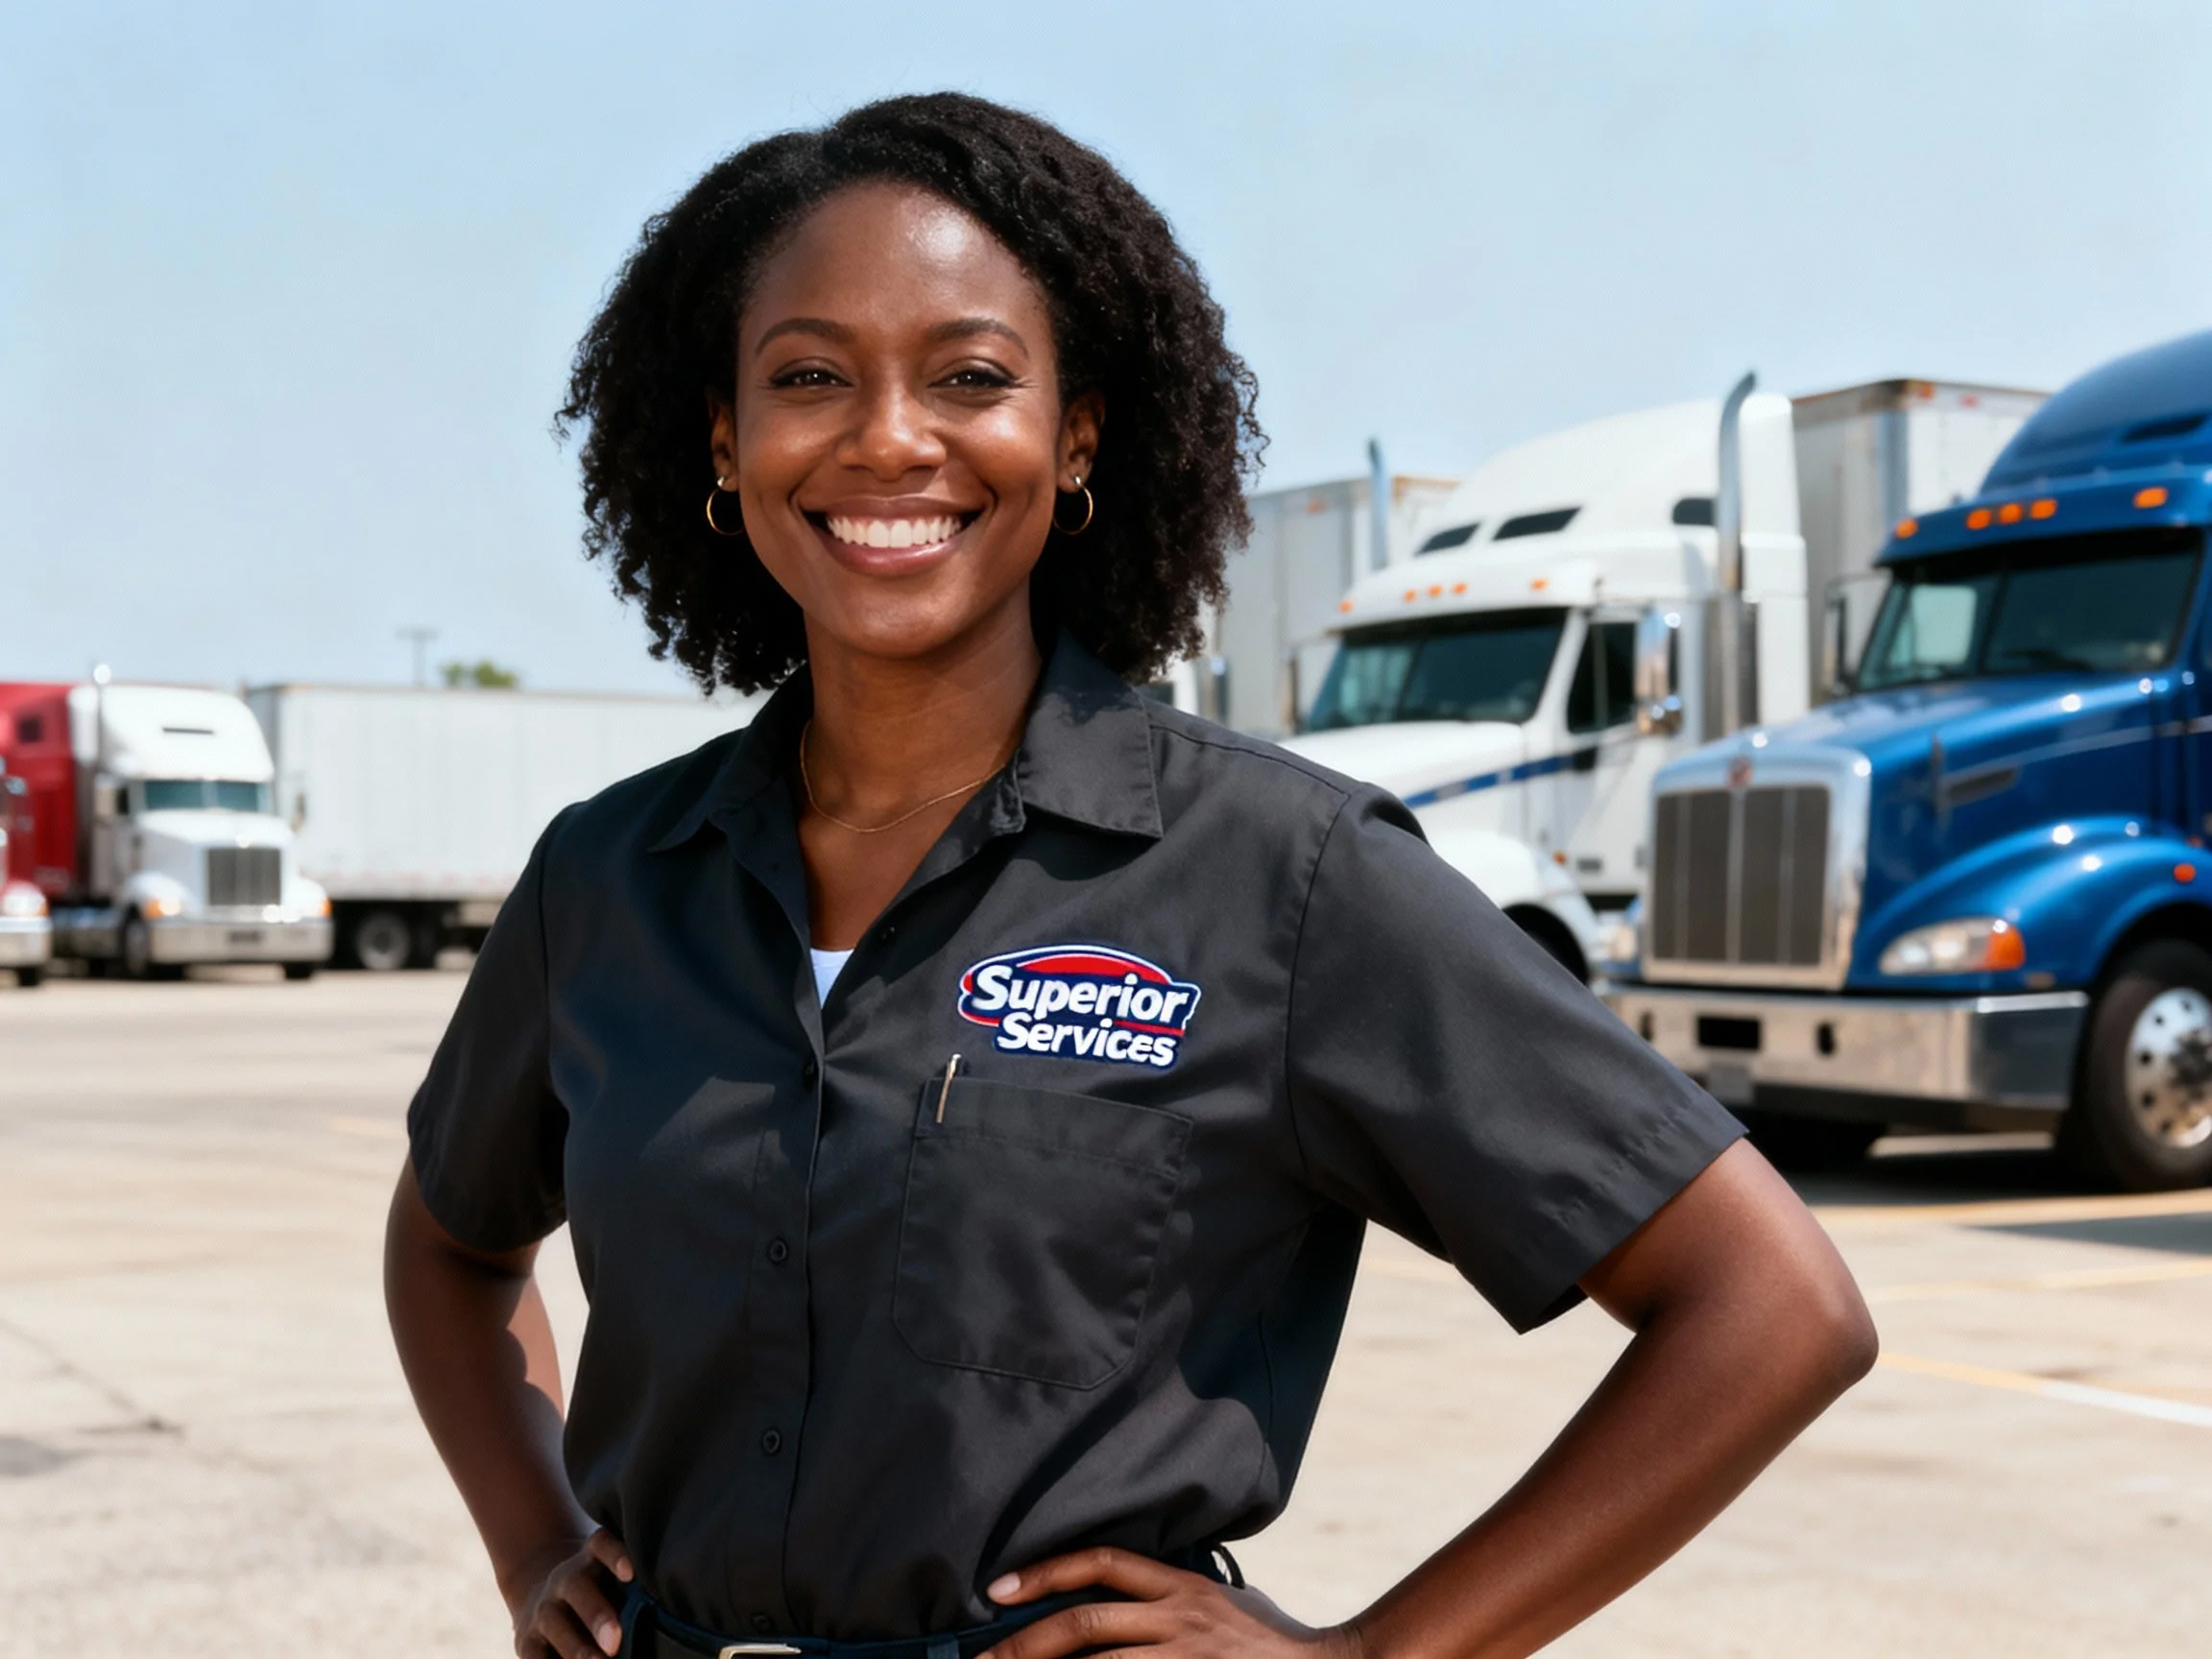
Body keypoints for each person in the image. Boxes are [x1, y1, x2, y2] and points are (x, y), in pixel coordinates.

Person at [385, 92, 1876, 1659]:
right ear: (725, 439)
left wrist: (1370, 1656)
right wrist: (534, 1540)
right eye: (809, 377)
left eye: (970, 377)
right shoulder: (605, 880)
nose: (889, 437)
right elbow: (450, 1245)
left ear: (1075, 434)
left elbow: (1773, 1305)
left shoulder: (1283, 879)